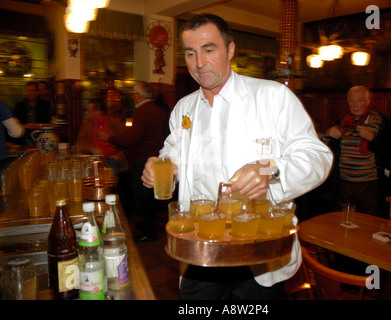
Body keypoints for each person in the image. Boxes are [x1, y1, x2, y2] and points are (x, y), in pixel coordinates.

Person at [141, 14, 333, 300]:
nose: (199, 63)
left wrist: (272, 171)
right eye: (191, 53)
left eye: (209, 50)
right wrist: (160, 164)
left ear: (230, 50)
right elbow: (173, 151)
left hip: (257, 252)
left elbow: (318, 156)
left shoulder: (273, 97)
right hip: (201, 250)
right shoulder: (183, 108)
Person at [98, 81, 168, 243]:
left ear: (138, 95)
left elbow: (131, 139)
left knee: (143, 197)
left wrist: (108, 137)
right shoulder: (156, 109)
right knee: (147, 197)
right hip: (151, 157)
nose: (133, 97)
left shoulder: (144, 111)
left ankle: (149, 233)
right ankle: (146, 226)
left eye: (133, 94)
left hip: (143, 160)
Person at [325, 85, 391, 217]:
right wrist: (328, 133)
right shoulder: (342, 122)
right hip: (343, 184)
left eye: (359, 101)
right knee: (338, 220)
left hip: (370, 186)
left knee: (369, 223)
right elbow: (325, 150)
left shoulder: (382, 123)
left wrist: (372, 138)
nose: (355, 105)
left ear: (368, 102)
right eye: (352, 101)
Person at [76, 99, 126, 178]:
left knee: (109, 180)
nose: (87, 113)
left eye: (90, 110)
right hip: (91, 158)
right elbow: (81, 141)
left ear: (98, 111)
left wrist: (119, 155)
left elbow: (126, 140)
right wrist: (92, 148)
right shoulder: (86, 122)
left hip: (110, 158)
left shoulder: (113, 123)